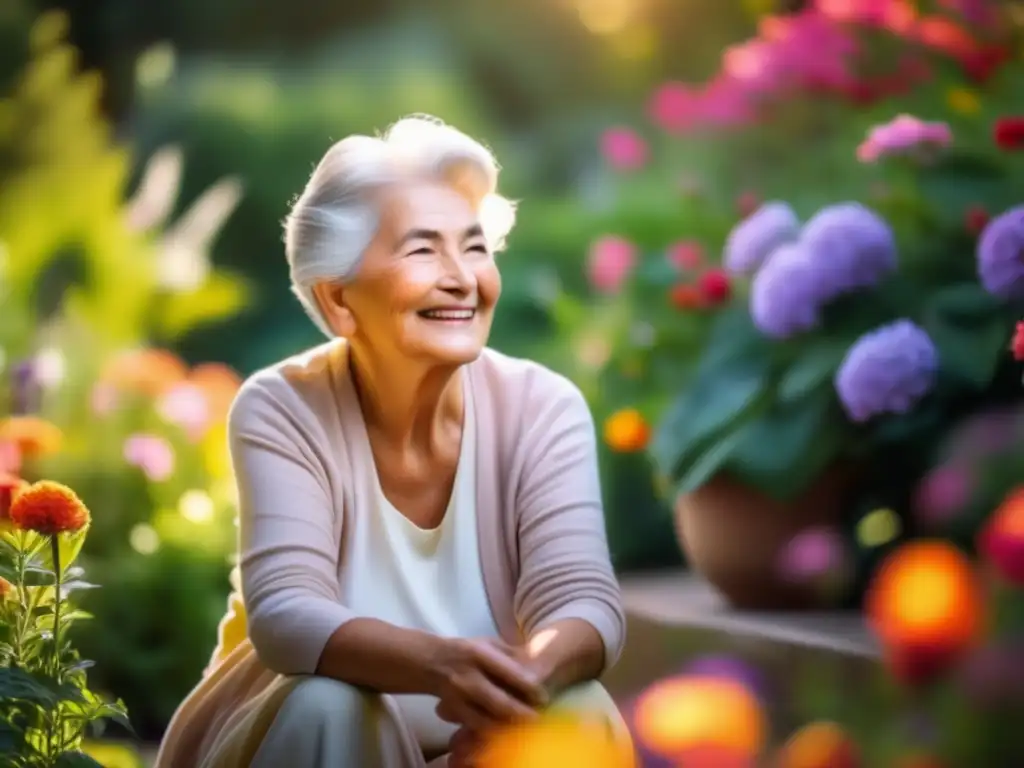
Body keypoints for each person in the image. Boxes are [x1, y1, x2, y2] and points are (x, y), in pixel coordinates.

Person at [155, 115, 630, 768]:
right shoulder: (282, 406)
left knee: (580, 710)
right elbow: (286, 616)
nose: (463, 277)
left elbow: (582, 600)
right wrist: (441, 665)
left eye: (474, 247)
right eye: (423, 250)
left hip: (476, 749)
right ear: (340, 300)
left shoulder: (542, 407)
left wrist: (529, 683)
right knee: (329, 702)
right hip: (308, 743)